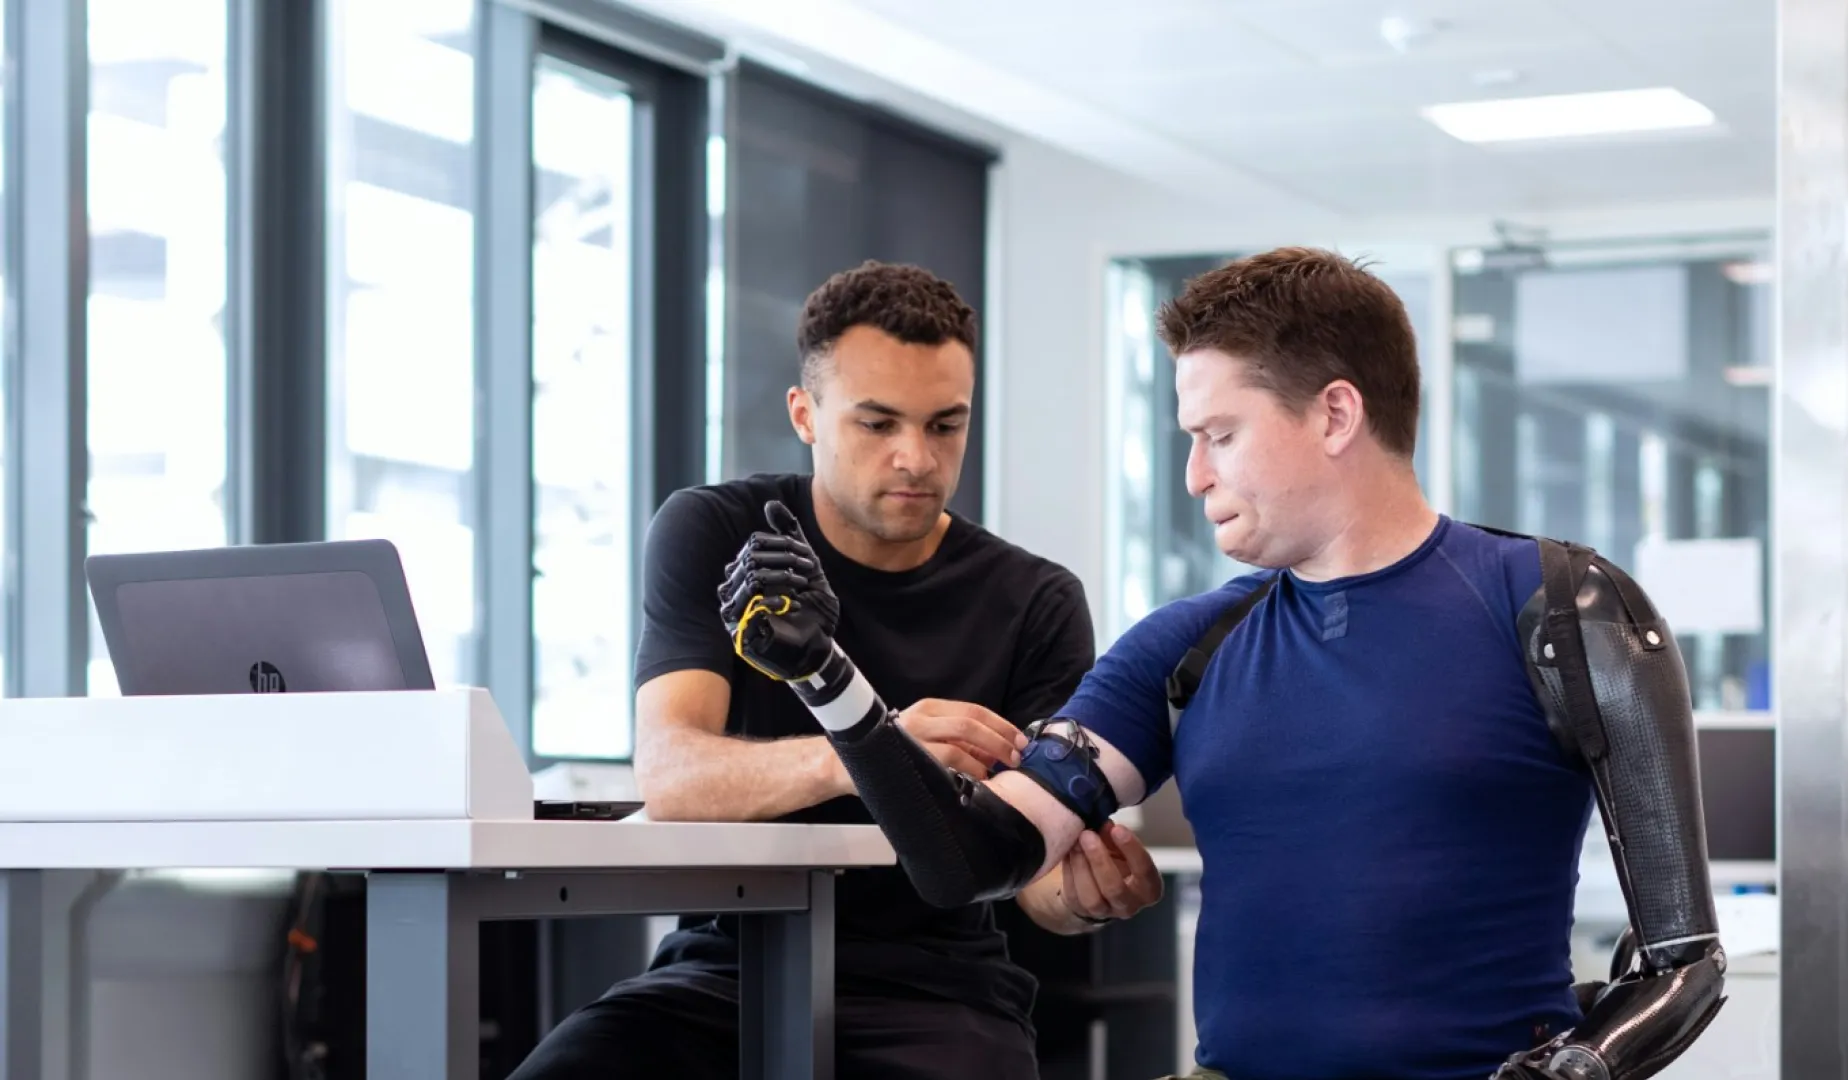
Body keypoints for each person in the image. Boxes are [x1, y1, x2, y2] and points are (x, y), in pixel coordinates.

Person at [723, 248, 1728, 1080]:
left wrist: (1583, 1067)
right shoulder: (1184, 648)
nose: (1195, 474)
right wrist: (829, 682)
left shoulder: (1559, 610)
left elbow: (1684, 963)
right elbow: (970, 862)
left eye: (1220, 435)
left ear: (1335, 417)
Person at [508, 260, 1165, 1080]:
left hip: (940, 992)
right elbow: (673, 774)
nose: (916, 459)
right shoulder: (720, 533)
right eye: (878, 423)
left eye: (945, 425)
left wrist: (1083, 900)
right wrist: (871, 752)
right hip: (722, 972)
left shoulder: (1035, 599)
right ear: (805, 414)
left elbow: (1033, 881)